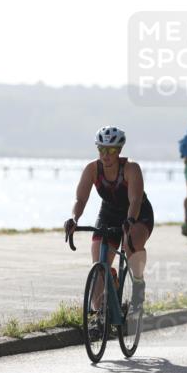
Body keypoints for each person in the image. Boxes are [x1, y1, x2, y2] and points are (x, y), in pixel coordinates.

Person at [64, 126, 153, 323]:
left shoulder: (131, 169)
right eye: (101, 149)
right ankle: (102, 314)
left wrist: (129, 221)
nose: (106, 154)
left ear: (119, 150)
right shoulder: (92, 169)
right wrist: (74, 219)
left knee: (131, 245)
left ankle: (138, 286)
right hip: (109, 213)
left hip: (137, 213)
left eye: (111, 150)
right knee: (99, 267)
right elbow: (80, 199)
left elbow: (136, 200)